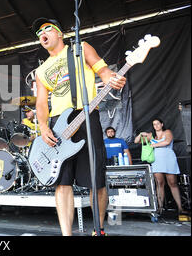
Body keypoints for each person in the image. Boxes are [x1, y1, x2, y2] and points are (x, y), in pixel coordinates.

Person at [32, 17, 126, 236]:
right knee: (62, 182)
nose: (42, 34)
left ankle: (98, 230)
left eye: (47, 29)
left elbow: (102, 70)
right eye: (39, 34)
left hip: (87, 115)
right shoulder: (41, 70)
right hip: (58, 126)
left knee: (96, 178)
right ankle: (67, 234)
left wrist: (111, 78)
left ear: (59, 34)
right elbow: (40, 104)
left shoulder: (80, 48)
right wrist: (44, 126)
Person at [134, 118, 184, 217]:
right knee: (159, 183)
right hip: (157, 161)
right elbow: (136, 141)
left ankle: (180, 208)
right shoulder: (151, 136)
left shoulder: (167, 132)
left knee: (172, 183)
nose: (156, 126)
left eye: (157, 124)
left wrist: (154, 145)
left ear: (162, 124)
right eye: (154, 124)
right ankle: (160, 208)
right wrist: (141, 134)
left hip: (169, 160)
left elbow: (167, 142)